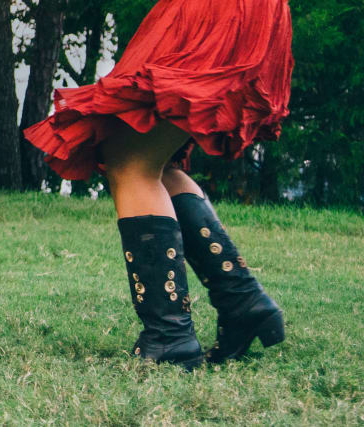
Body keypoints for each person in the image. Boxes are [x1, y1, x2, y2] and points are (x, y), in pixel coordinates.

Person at [25, 0, 294, 369]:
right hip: (246, 11)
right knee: (151, 157)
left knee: (130, 165)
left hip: (209, 12)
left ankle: (170, 336)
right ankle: (241, 300)